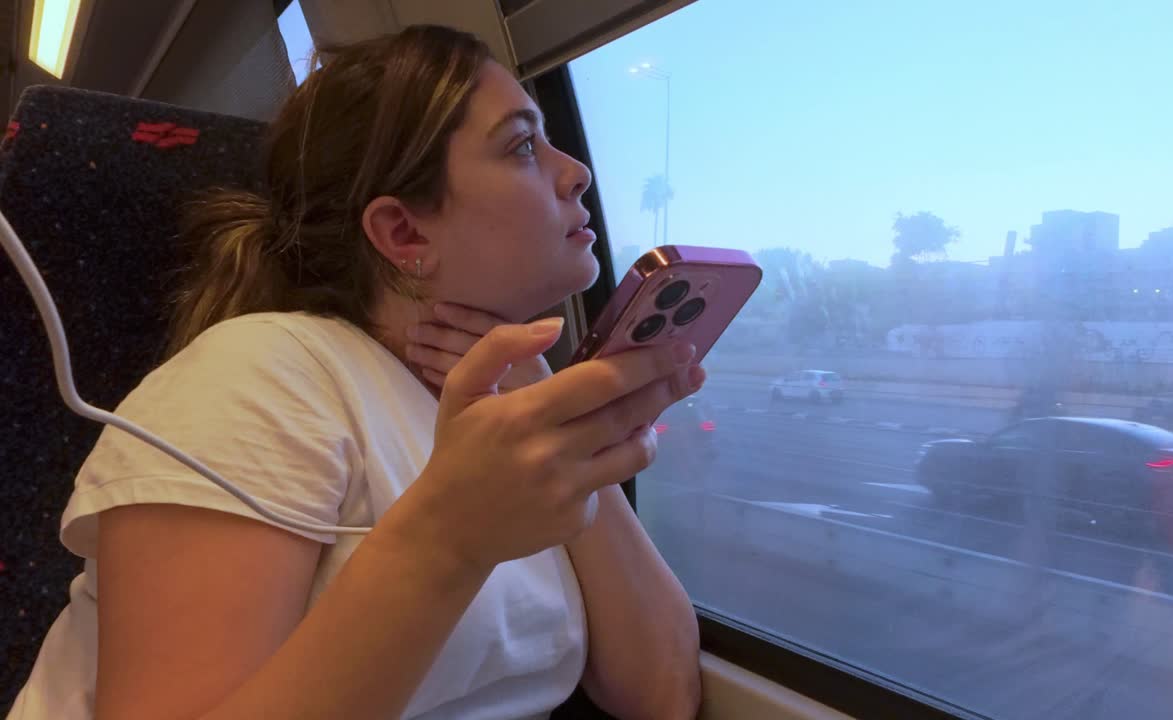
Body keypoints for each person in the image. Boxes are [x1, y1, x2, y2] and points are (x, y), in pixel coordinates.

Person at [8, 25, 703, 720]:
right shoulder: (258, 379)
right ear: (403, 233)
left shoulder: (503, 410)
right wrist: (449, 539)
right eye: (523, 144)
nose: (574, 170)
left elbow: (664, 695)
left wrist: (557, 416)